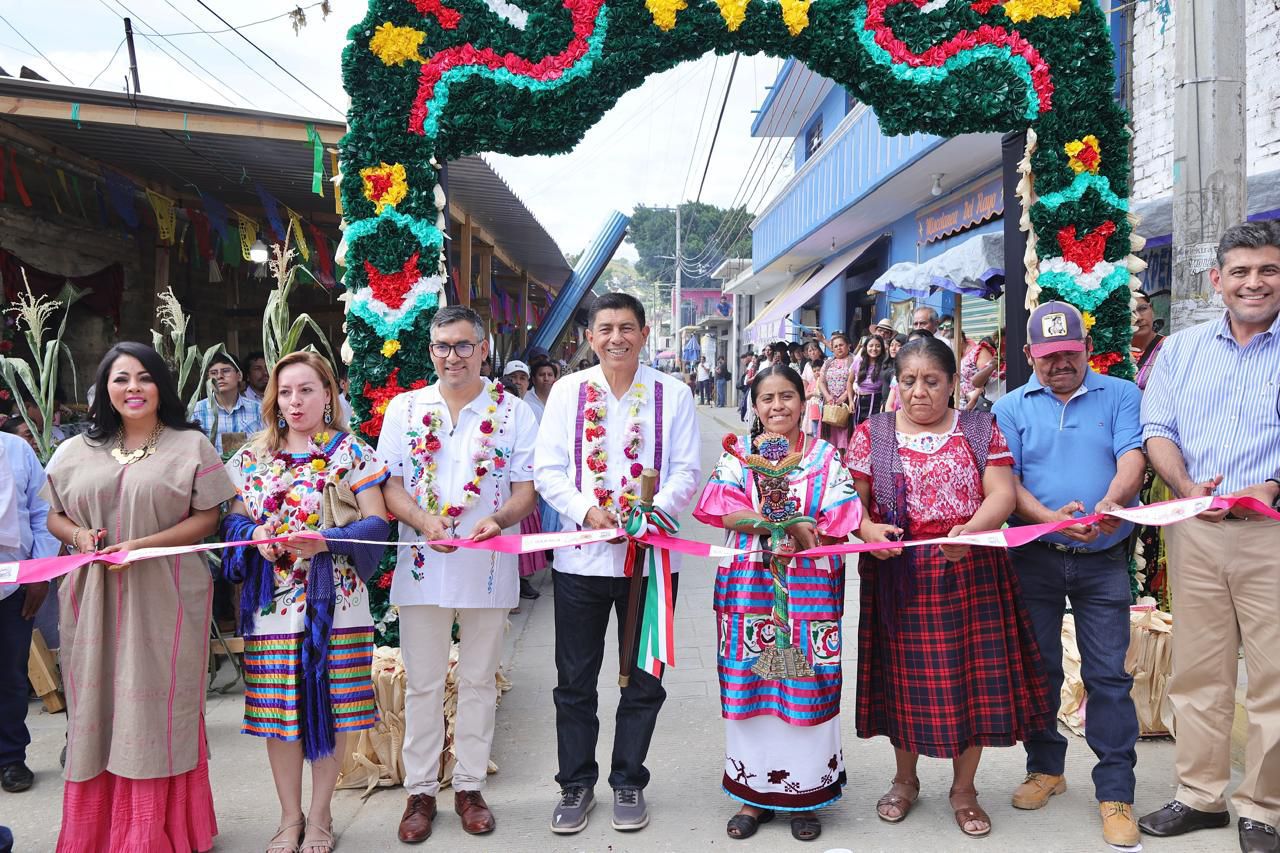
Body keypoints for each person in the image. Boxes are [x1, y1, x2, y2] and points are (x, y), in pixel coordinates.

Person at [848, 336, 1052, 839]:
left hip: (971, 571)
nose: (920, 392)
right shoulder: (871, 433)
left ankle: (964, 791)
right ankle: (904, 780)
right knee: (902, 681)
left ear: (954, 383)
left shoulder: (979, 429)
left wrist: (974, 531)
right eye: (910, 381)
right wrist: (867, 530)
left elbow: (1001, 492)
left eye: (932, 381)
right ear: (897, 384)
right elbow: (851, 502)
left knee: (972, 685)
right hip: (901, 576)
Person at [42, 341, 237, 851]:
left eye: (144, 377)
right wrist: (81, 538)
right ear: (104, 389)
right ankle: (100, 829)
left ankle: (156, 830)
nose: (133, 388)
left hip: (166, 592)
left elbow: (208, 517)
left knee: (157, 707)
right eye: (121, 378)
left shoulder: (190, 445)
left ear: (161, 386)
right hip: (93, 597)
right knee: (97, 706)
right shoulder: (72, 450)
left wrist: (142, 545)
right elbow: (54, 515)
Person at [534, 292, 701, 835]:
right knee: (574, 681)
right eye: (605, 328)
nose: (616, 338)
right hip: (580, 562)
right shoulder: (566, 392)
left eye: (626, 328)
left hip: (651, 566)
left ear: (644, 333)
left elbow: (684, 471)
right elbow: (548, 470)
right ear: (590, 336)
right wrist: (586, 511)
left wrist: (652, 514)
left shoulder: (672, 393)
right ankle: (575, 784)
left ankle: (628, 779)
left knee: (645, 680)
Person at [1137, 222, 1280, 853]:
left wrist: (1270, 487)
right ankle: (1200, 796)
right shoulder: (1181, 350)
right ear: (1217, 280)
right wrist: (1185, 484)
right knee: (1198, 671)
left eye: (1268, 270)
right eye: (1241, 271)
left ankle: (1264, 806)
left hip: (1271, 533)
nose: (1255, 282)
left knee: (1275, 676)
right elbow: (1157, 427)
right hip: (1195, 530)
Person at [379, 306, 539, 843]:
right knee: (422, 684)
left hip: (488, 566)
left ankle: (469, 786)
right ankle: (421, 792)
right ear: (431, 352)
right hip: (422, 564)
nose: (453, 356)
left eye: (464, 345)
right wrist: (424, 521)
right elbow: (391, 485)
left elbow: (524, 490)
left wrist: (496, 519)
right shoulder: (405, 409)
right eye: (443, 346)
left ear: (484, 348)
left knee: (477, 681)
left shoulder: (513, 412)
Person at [220, 351, 389, 853]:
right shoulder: (251, 456)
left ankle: (320, 817)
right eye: (286, 392)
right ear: (274, 398)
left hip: (336, 602)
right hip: (272, 604)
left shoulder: (352, 452)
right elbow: (231, 522)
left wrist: (327, 541)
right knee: (279, 712)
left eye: (307, 390)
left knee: (333, 708)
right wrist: (257, 535)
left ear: (328, 394)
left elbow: (377, 525)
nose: (295, 402)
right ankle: (287, 818)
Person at [992, 301, 1146, 848]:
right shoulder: (1008, 407)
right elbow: (1006, 481)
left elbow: (1132, 457)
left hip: (1103, 557)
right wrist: (1050, 522)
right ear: (1031, 355)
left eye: (1070, 353)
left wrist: (1108, 505)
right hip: (1033, 557)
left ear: (1086, 348)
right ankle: (1046, 770)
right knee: (1040, 671)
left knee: (1109, 676)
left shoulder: (1122, 394)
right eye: (1049, 355)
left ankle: (1116, 791)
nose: (1061, 364)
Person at [694, 365, 861, 842]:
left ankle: (808, 794)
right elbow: (720, 506)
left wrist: (802, 526)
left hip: (808, 588)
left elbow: (842, 513)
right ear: (755, 404)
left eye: (786, 396)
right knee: (752, 683)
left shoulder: (825, 456)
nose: (777, 407)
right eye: (767, 398)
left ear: (802, 401)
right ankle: (754, 795)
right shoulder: (739, 457)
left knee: (808, 681)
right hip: (748, 586)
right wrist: (774, 525)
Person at [0, 428, 59, 796]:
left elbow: (43, 512)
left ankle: (10, 758)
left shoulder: (16, 450)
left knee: (11, 676)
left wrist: (39, 572)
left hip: (13, 585)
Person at [499, 359, 545, 601]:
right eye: (513, 377)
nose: (518, 382)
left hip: (525, 485)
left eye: (522, 377)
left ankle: (521, 582)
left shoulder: (529, 408)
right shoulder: (492, 412)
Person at [192, 351, 264, 454]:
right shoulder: (197, 410)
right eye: (213, 373)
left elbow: (268, 445)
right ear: (207, 380)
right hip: (212, 469)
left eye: (226, 371)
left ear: (239, 376)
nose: (219, 376)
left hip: (251, 468)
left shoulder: (258, 409)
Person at [816, 333, 855, 454]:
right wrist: (827, 396)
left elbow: (856, 381)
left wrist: (844, 397)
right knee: (829, 439)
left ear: (848, 346)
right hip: (830, 405)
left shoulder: (854, 361)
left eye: (841, 345)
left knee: (845, 438)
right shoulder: (828, 362)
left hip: (847, 404)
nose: (839, 348)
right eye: (836, 346)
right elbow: (821, 382)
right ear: (832, 349)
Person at [1131, 292, 1166, 391]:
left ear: (1152, 309)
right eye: (1130, 312)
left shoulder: (1170, 348)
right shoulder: (1112, 355)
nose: (1138, 318)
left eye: (1143, 309)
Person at [849, 335, 886, 424]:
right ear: (866, 347)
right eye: (871, 345)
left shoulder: (885, 364)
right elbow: (850, 382)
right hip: (859, 402)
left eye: (878, 346)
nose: (874, 348)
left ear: (882, 348)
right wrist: (850, 401)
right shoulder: (859, 361)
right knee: (858, 431)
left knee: (871, 431)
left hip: (876, 404)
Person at [800, 341, 825, 437]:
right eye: (809, 351)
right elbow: (805, 382)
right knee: (812, 426)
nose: (812, 352)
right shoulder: (807, 365)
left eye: (814, 350)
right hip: (811, 397)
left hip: (822, 396)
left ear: (819, 350)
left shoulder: (826, 362)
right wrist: (806, 398)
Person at [526, 357, 559, 423]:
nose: (546, 378)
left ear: (554, 379)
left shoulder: (561, 399)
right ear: (534, 380)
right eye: (541, 375)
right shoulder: (525, 398)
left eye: (550, 375)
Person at [882, 335, 907, 413]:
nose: (893, 348)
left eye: (898, 345)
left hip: (896, 409)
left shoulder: (904, 369)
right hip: (885, 405)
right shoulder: (886, 364)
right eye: (891, 345)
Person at [739, 352, 758, 423]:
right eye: (752, 359)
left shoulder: (755, 367)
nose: (753, 360)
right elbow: (748, 379)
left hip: (754, 387)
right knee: (747, 403)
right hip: (749, 386)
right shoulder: (752, 367)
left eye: (754, 359)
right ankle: (746, 417)